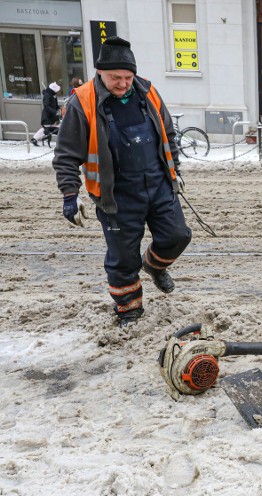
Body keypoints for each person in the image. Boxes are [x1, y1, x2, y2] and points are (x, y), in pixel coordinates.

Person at [52, 36, 191, 328]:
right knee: (123, 258)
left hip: (158, 185)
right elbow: (66, 155)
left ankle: (153, 265)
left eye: (128, 77)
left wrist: (174, 172)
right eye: (116, 77)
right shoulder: (83, 101)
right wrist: (69, 195)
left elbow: (168, 134)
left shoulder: (147, 91)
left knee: (178, 235)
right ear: (100, 72)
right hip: (116, 195)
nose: (124, 84)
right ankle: (129, 311)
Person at [31, 81, 61, 146]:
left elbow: (55, 105)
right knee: (48, 129)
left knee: (52, 129)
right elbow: (47, 106)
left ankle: (35, 138)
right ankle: (34, 139)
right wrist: (54, 111)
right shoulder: (47, 96)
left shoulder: (53, 95)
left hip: (53, 116)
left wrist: (58, 108)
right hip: (48, 116)